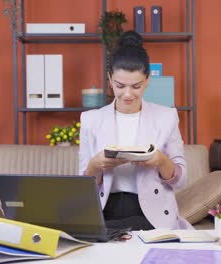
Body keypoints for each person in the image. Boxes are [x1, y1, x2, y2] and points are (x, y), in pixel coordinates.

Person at [79, 30, 191, 230]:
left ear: (147, 80)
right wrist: (96, 164)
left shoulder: (167, 117)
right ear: (110, 79)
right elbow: (82, 188)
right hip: (105, 211)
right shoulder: (90, 120)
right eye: (120, 86)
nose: (128, 94)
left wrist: (160, 160)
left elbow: (180, 181)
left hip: (152, 214)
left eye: (136, 86)